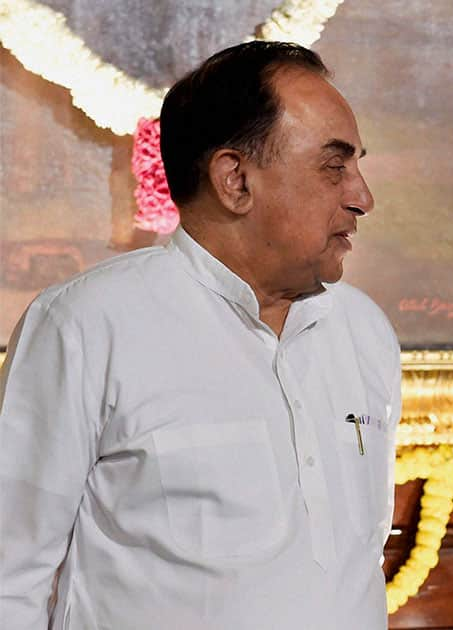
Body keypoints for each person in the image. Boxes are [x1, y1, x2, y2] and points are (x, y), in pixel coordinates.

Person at [0, 41, 401, 629]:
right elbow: (11, 579)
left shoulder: (365, 331)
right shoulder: (85, 325)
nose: (362, 197)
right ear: (235, 179)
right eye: (333, 166)